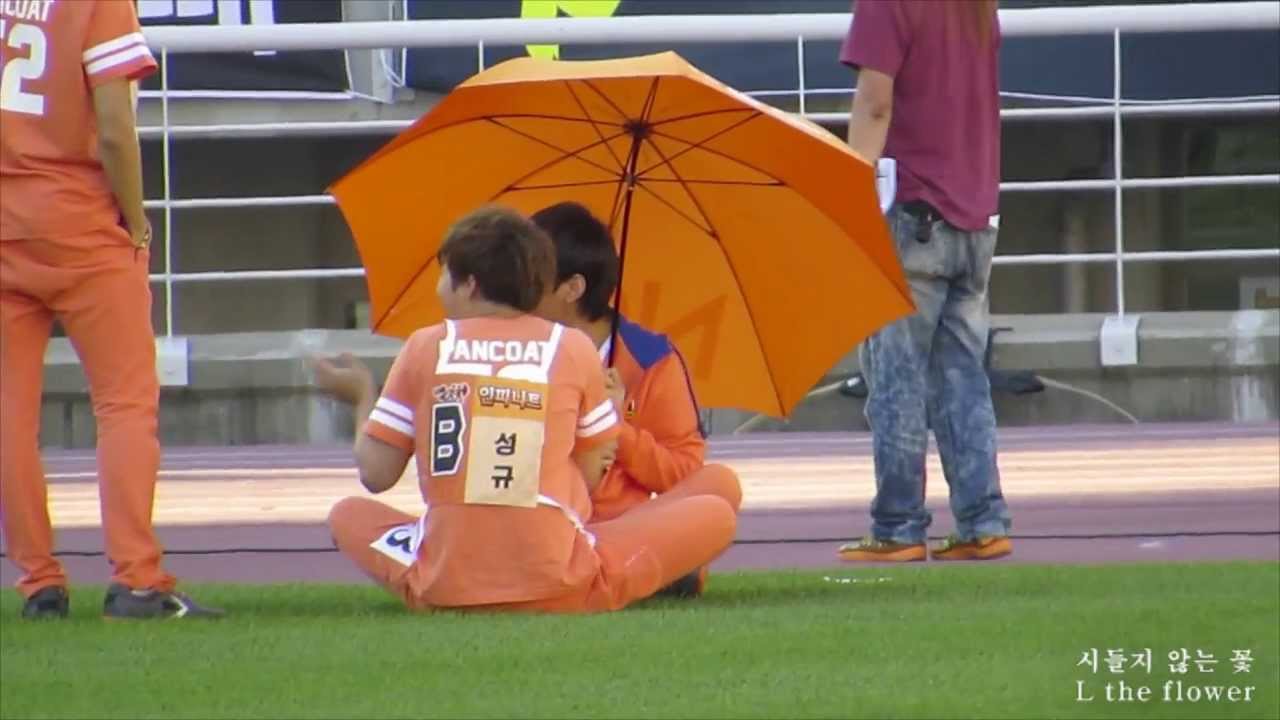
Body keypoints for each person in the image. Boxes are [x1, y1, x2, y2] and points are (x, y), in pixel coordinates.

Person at [311, 206, 736, 613]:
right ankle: (634, 571)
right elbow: (588, 479)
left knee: (348, 514)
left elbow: (375, 474)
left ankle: (448, 582)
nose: (438, 288)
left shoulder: (424, 345)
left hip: (446, 580)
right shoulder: (572, 348)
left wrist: (363, 395)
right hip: (563, 574)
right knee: (715, 513)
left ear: (471, 285)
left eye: (443, 276)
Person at [0, 0, 220, 619]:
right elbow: (116, 127)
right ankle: (136, 578)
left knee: (10, 417)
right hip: (81, 221)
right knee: (125, 404)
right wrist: (138, 221)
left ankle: (39, 583)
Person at [837, 0, 1013, 562]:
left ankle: (897, 526)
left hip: (913, 214)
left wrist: (846, 192)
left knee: (893, 378)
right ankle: (982, 521)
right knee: (963, 378)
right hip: (974, 211)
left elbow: (874, 101)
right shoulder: (975, 7)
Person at [529, 201, 742, 596]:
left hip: (622, 527)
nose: (515, 290)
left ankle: (621, 568)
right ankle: (635, 574)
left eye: (531, 278)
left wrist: (617, 427)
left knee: (719, 485)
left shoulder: (649, 358)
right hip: (540, 520)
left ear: (573, 289)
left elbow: (680, 471)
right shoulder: (507, 347)